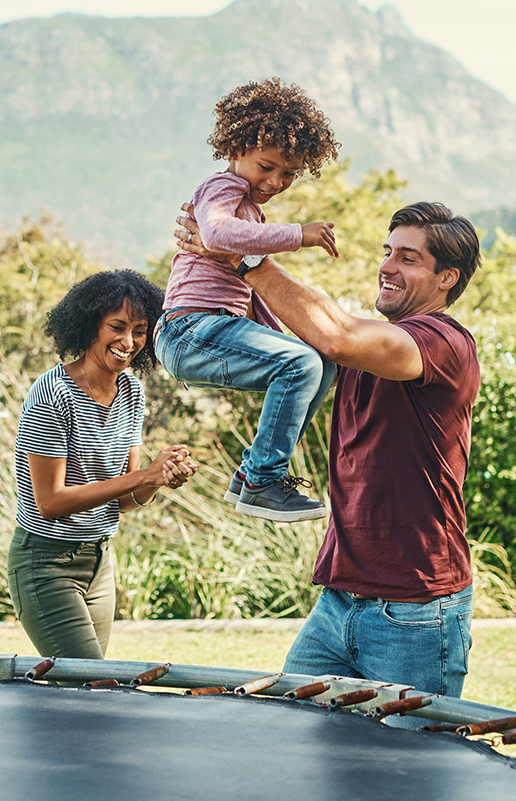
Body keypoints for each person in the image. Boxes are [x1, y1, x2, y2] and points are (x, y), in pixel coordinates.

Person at [175, 201, 481, 719]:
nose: (387, 265)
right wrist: (212, 263)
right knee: (299, 739)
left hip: (415, 612)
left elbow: (335, 333)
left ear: (446, 277)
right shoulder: (363, 350)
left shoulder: (443, 344)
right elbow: (310, 332)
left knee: (411, 774)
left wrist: (247, 255)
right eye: (387, 252)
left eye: (408, 258)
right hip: (338, 600)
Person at [156, 78, 340, 523]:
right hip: (190, 329)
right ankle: (264, 481)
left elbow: (251, 295)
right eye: (266, 166)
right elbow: (217, 233)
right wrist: (299, 235)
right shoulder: (221, 189)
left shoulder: (251, 209)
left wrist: (290, 340)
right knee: (302, 365)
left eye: (289, 174)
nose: (276, 181)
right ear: (235, 150)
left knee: (323, 364)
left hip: (216, 328)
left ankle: (252, 474)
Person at [7, 269, 197, 660]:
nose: (129, 342)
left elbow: (125, 500)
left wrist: (160, 478)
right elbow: (52, 502)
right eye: (117, 326)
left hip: (99, 561)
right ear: (90, 324)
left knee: (85, 698)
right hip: (46, 563)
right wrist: (145, 474)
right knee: (94, 684)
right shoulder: (52, 393)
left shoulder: (131, 391)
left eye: (140, 330)